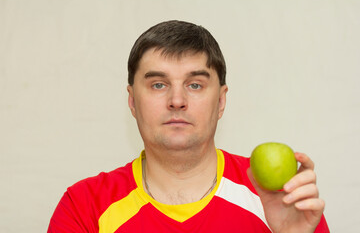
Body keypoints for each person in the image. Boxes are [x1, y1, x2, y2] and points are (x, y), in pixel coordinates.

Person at [48, 20, 329, 232]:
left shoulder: (282, 199)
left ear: (220, 101)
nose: (177, 100)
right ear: (132, 101)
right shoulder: (84, 207)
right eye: (158, 85)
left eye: (195, 85)